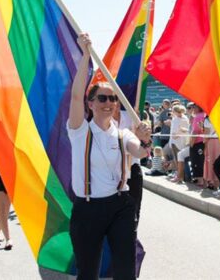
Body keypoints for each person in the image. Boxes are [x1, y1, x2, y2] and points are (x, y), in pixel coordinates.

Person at [67, 34, 151, 279]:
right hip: (87, 208)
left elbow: (139, 151)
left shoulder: (123, 134)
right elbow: (75, 96)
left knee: (125, 270)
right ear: (90, 104)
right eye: (102, 98)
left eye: (113, 98)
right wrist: (85, 55)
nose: (109, 102)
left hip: (120, 206)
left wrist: (145, 139)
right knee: (88, 272)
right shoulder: (80, 131)